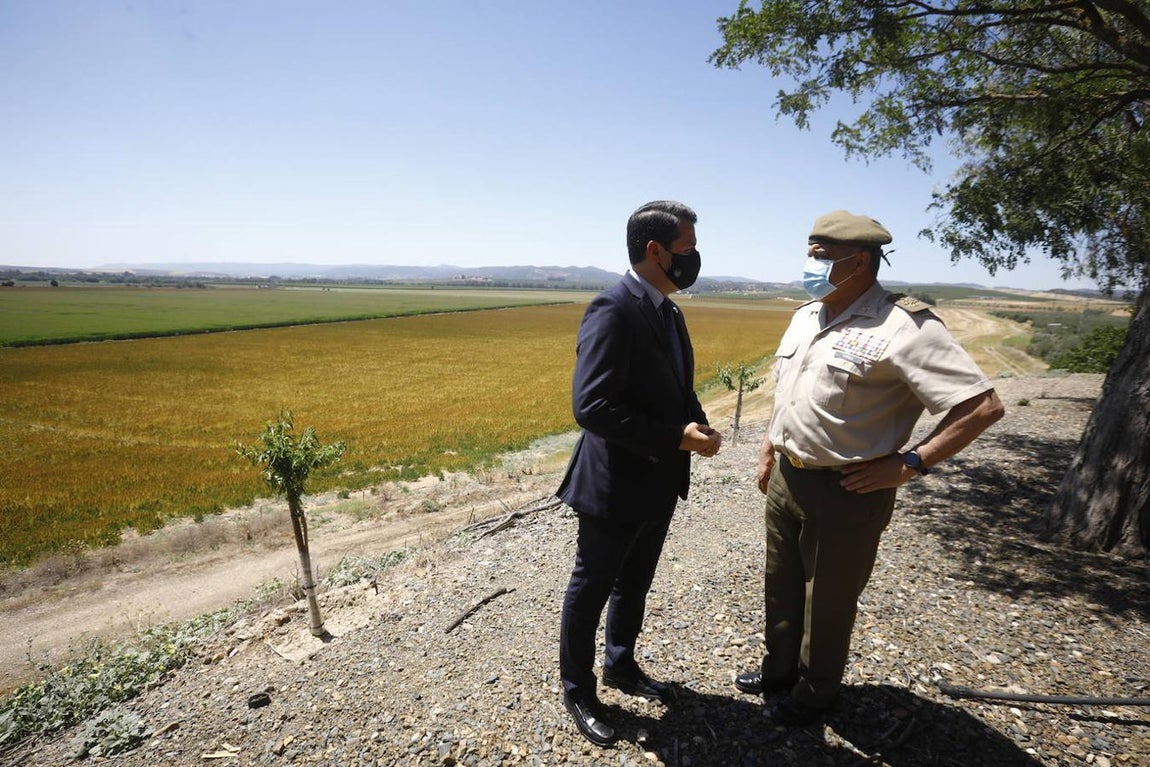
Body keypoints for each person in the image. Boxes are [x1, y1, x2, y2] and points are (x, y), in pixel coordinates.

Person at [733, 210, 1005, 727]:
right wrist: (770, 445)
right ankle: (778, 672)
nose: (809, 267)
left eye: (820, 258)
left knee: (828, 600)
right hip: (788, 476)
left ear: (858, 262)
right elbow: (789, 392)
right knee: (780, 583)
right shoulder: (807, 314)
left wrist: (911, 463)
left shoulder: (904, 325)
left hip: (849, 488)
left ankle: (815, 695)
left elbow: (982, 406)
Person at [557, 200, 722, 747]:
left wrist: (696, 421)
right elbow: (593, 406)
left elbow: (675, 387)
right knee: (593, 585)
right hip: (613, 485)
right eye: (687, 249)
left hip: (658, 482)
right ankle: (578, 689)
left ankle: (620, 665)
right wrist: (676, 436)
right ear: (656, 251)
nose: (694, 259)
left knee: (637, 582)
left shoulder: (669, 312)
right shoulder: (613, 308)